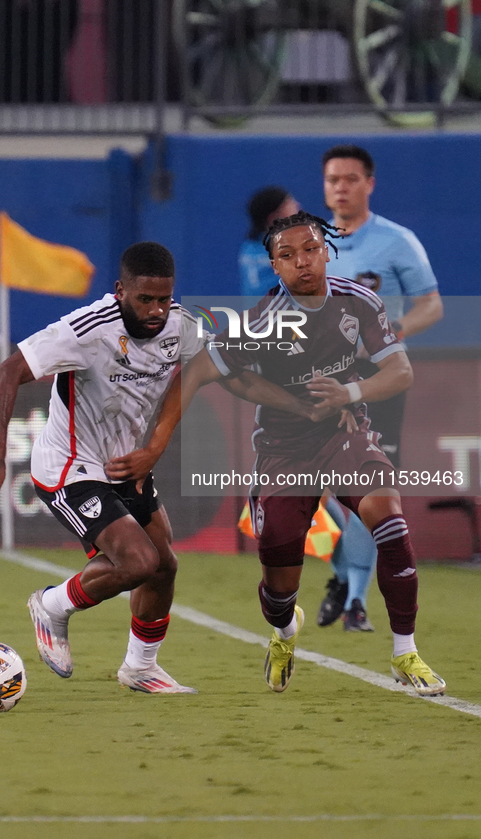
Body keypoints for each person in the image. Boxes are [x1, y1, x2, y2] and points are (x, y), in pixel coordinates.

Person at [107, 211, 446, 698]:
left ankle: (405, 652)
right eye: (287, 256)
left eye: (310, 249)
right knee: (279, 580)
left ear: (326, 251)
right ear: (274, 265)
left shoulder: (360, 302)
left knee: (389, 520)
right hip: (284, 451)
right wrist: (157, 443)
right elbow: (203, 370)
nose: (302, 263)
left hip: (345, 434)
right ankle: (285, 632)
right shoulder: (265, 321)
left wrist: (350, 395)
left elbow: (401, 372)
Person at [0, 242, 211, 694]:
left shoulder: (180, 326)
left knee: (164, 566)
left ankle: (141, 668)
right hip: (69, 467)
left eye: (164, 299)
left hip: (125, 464)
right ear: (120, 291)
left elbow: (197, 369)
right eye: (145, 300)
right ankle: (53, 606)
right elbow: (6, 373)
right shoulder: (85, 329)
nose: (156, 310)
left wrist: (155, 446)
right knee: (138, 561)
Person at [318, 144, 443, 633]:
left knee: (373, 487)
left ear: (369, 183)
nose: (341, 187)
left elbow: (432, 305)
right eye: (333, 179)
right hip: (319, 380)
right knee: (319, 489)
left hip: (378, 382)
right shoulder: (309, 243)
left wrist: (396, 331)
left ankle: (355, 600)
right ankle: (341, 574)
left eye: (350, 179)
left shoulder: (397, 241)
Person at [239, 186, 299, 296]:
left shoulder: (247, 248)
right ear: (274, 218)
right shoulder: (286, 250)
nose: (297, 205)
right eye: (289, 203)